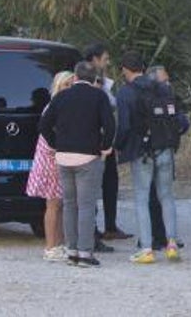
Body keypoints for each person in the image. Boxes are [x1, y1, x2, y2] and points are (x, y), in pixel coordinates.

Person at [38, 60, 116, 268]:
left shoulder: (62, 96)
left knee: (70, 205)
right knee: (86, 206)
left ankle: (71, 250)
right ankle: (85, 253)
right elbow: (110, 124)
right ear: (95, 79)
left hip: (63, 157)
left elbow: (44, 124)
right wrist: (105, 146)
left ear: (75, 77)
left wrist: (56, 144)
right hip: (88, 157)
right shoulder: (99, 96)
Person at [115, 52, 183, 265]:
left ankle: (146, 248)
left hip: (142, 151)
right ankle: (172, 244)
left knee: (142, 198)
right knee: (167, 196)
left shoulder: (125, 93)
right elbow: (178, 118)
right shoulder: (162, 88)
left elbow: (124, 126)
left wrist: (117, 146)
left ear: (125, 69)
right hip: (165, 149)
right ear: (143, 68)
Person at [26, 70, 75, 262]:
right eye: (66, 85)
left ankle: (59, 243)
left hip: (60, 158)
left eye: (72, 84)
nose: (69, 89)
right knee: (53, 203)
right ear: (57, 86)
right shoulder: (52, 107)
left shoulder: (66, 106)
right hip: (50, 160)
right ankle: (50, 246)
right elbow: (47, 134)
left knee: (60, 203)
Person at [83, 42, 129, 246]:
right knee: (91, 185)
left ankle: (111, 225)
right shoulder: (87, 80)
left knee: (111, 181)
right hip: (92, 140)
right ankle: (91, 230)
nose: (108, 62)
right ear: (94, 59)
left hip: (106, 139)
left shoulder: (104, 81)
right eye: (105, 58)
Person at [146, 64, 188, 251]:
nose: (168, 83)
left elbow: (183, 121)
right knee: (154, 195)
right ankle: (157, 236)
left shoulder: (171, 98)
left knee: (163, 194)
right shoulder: (148, 99)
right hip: (150, 152)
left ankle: (166, 237)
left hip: (166, 151)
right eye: (164, 80)